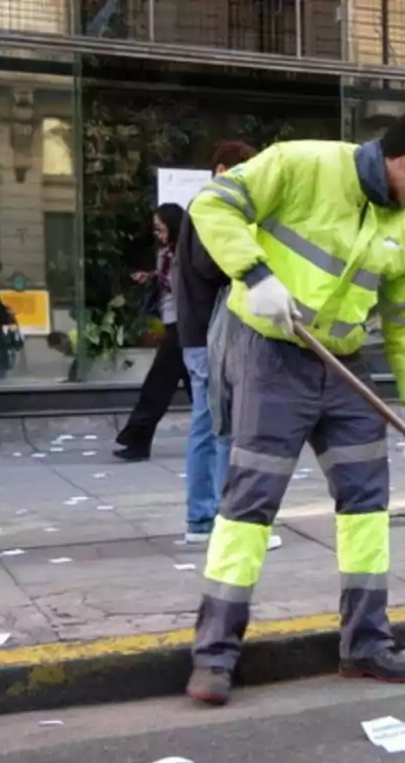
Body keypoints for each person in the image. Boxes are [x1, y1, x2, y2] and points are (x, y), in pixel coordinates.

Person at [183, 110, 405, 705]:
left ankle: (365, 645)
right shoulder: (301, 163)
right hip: (271, 353)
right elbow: (212, 205)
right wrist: (254, 272)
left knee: (367, 506)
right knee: (248, 505)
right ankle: (214, 656)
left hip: (343, 363)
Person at [173, 141, 259, 546]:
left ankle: (204, 518)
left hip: (198, 331)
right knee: (219, 425)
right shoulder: (210, 208)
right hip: (211, 333)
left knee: (209, 424)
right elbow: (215, 266)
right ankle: (219, 520)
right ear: (221, 169)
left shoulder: (200, 208)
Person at [113, 203, 191, 461]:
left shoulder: (187, 252)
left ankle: (137, 438)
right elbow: (167, 281)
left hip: (185, 326)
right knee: (199, 391)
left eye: (161, 229)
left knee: (157, 386)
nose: (157, 234)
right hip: (174, 324)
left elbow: (189, 285)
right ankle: (228, 436)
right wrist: (152, 277)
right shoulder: (165, 254)